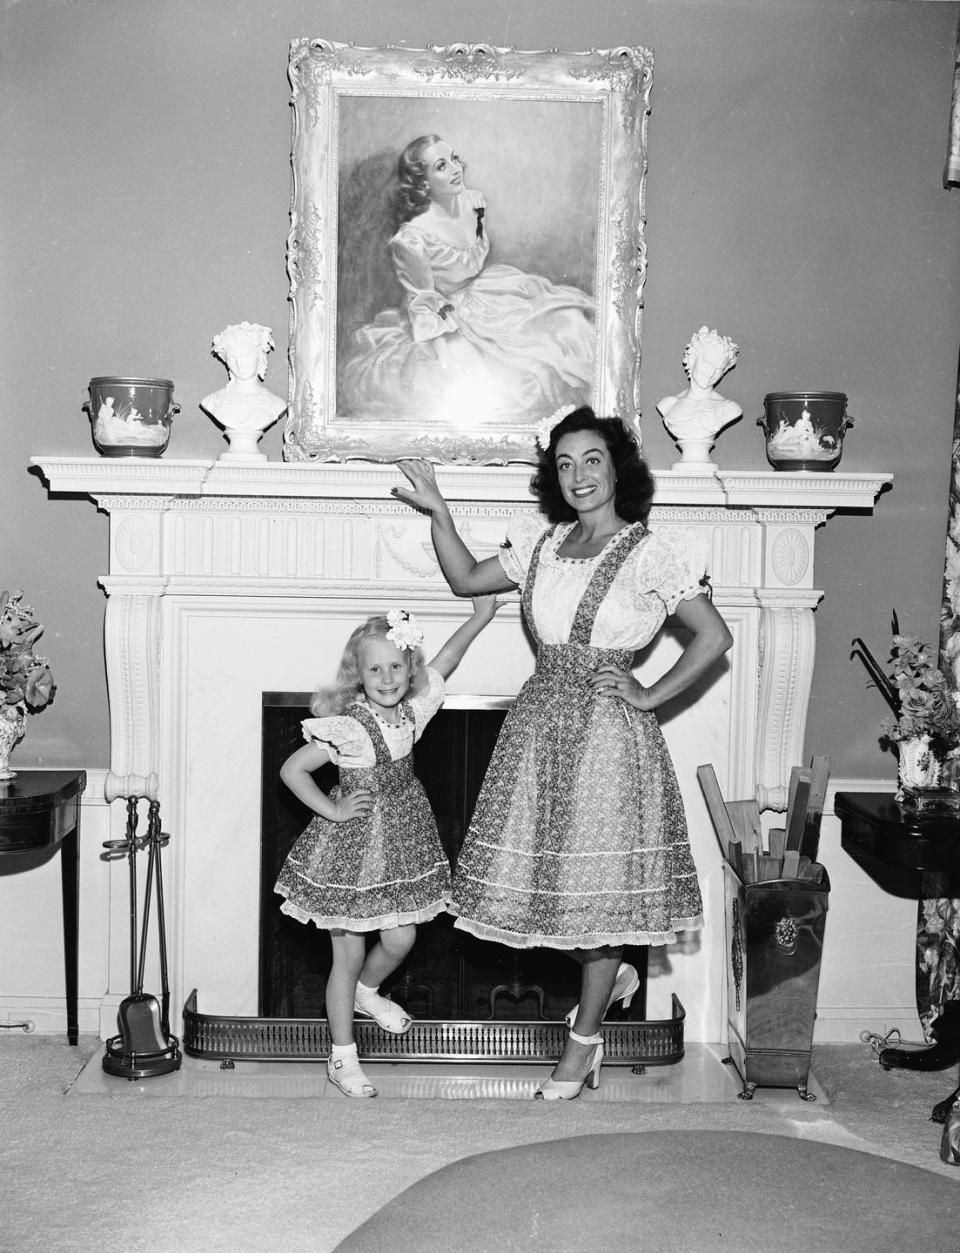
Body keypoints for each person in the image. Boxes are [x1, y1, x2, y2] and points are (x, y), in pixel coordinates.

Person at [392, 407, 733, 1099]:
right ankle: (613, 979)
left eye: (592, 459)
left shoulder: (649, 553)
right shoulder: (543, 546)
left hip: (609, 738)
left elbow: (713, 637)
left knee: (595, 897)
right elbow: (465, 579)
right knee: (540, 898)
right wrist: (439, 512)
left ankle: (582, 1043)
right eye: (565, 463)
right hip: (540, 730)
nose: (578, 475)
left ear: (618, 469)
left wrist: (648, 695)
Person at [274, 600, 499, 1098]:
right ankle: (342, 1057)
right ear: (358, 675)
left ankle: (367, 993)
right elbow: (293, 770)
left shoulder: (413, 713)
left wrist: (482, 614)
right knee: (346, 955)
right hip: (351, 852)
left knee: (401, 940)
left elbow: (448, 661)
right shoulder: (351, 727)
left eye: (396, 665)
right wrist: (331, 810)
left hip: (402, 845)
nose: (387, 676)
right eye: (374, 668)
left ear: (409, 669)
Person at [339, 135, 595, 424]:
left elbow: (473, 257)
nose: (455, 168)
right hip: (446, 316)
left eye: (454, 158)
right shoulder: (411, 240)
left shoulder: (473, 203)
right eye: (441, 165)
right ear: (423, 183)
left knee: (571, 328)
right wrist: (450, 350)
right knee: (505, 381)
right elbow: (425, 303)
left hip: (492, 295)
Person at [656, 325, 741, 447]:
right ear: (692, 359)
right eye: (707, 364)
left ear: (724, 371)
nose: (711, 373)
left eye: (718, 370)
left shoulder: (730, 408)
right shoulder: (668, 404)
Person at [201, 321, 286, 436]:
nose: (240, 364)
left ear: (260, 356)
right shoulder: (213, 401)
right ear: (225, 360)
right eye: (232, 358)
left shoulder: (276, 404)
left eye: (247, 355)